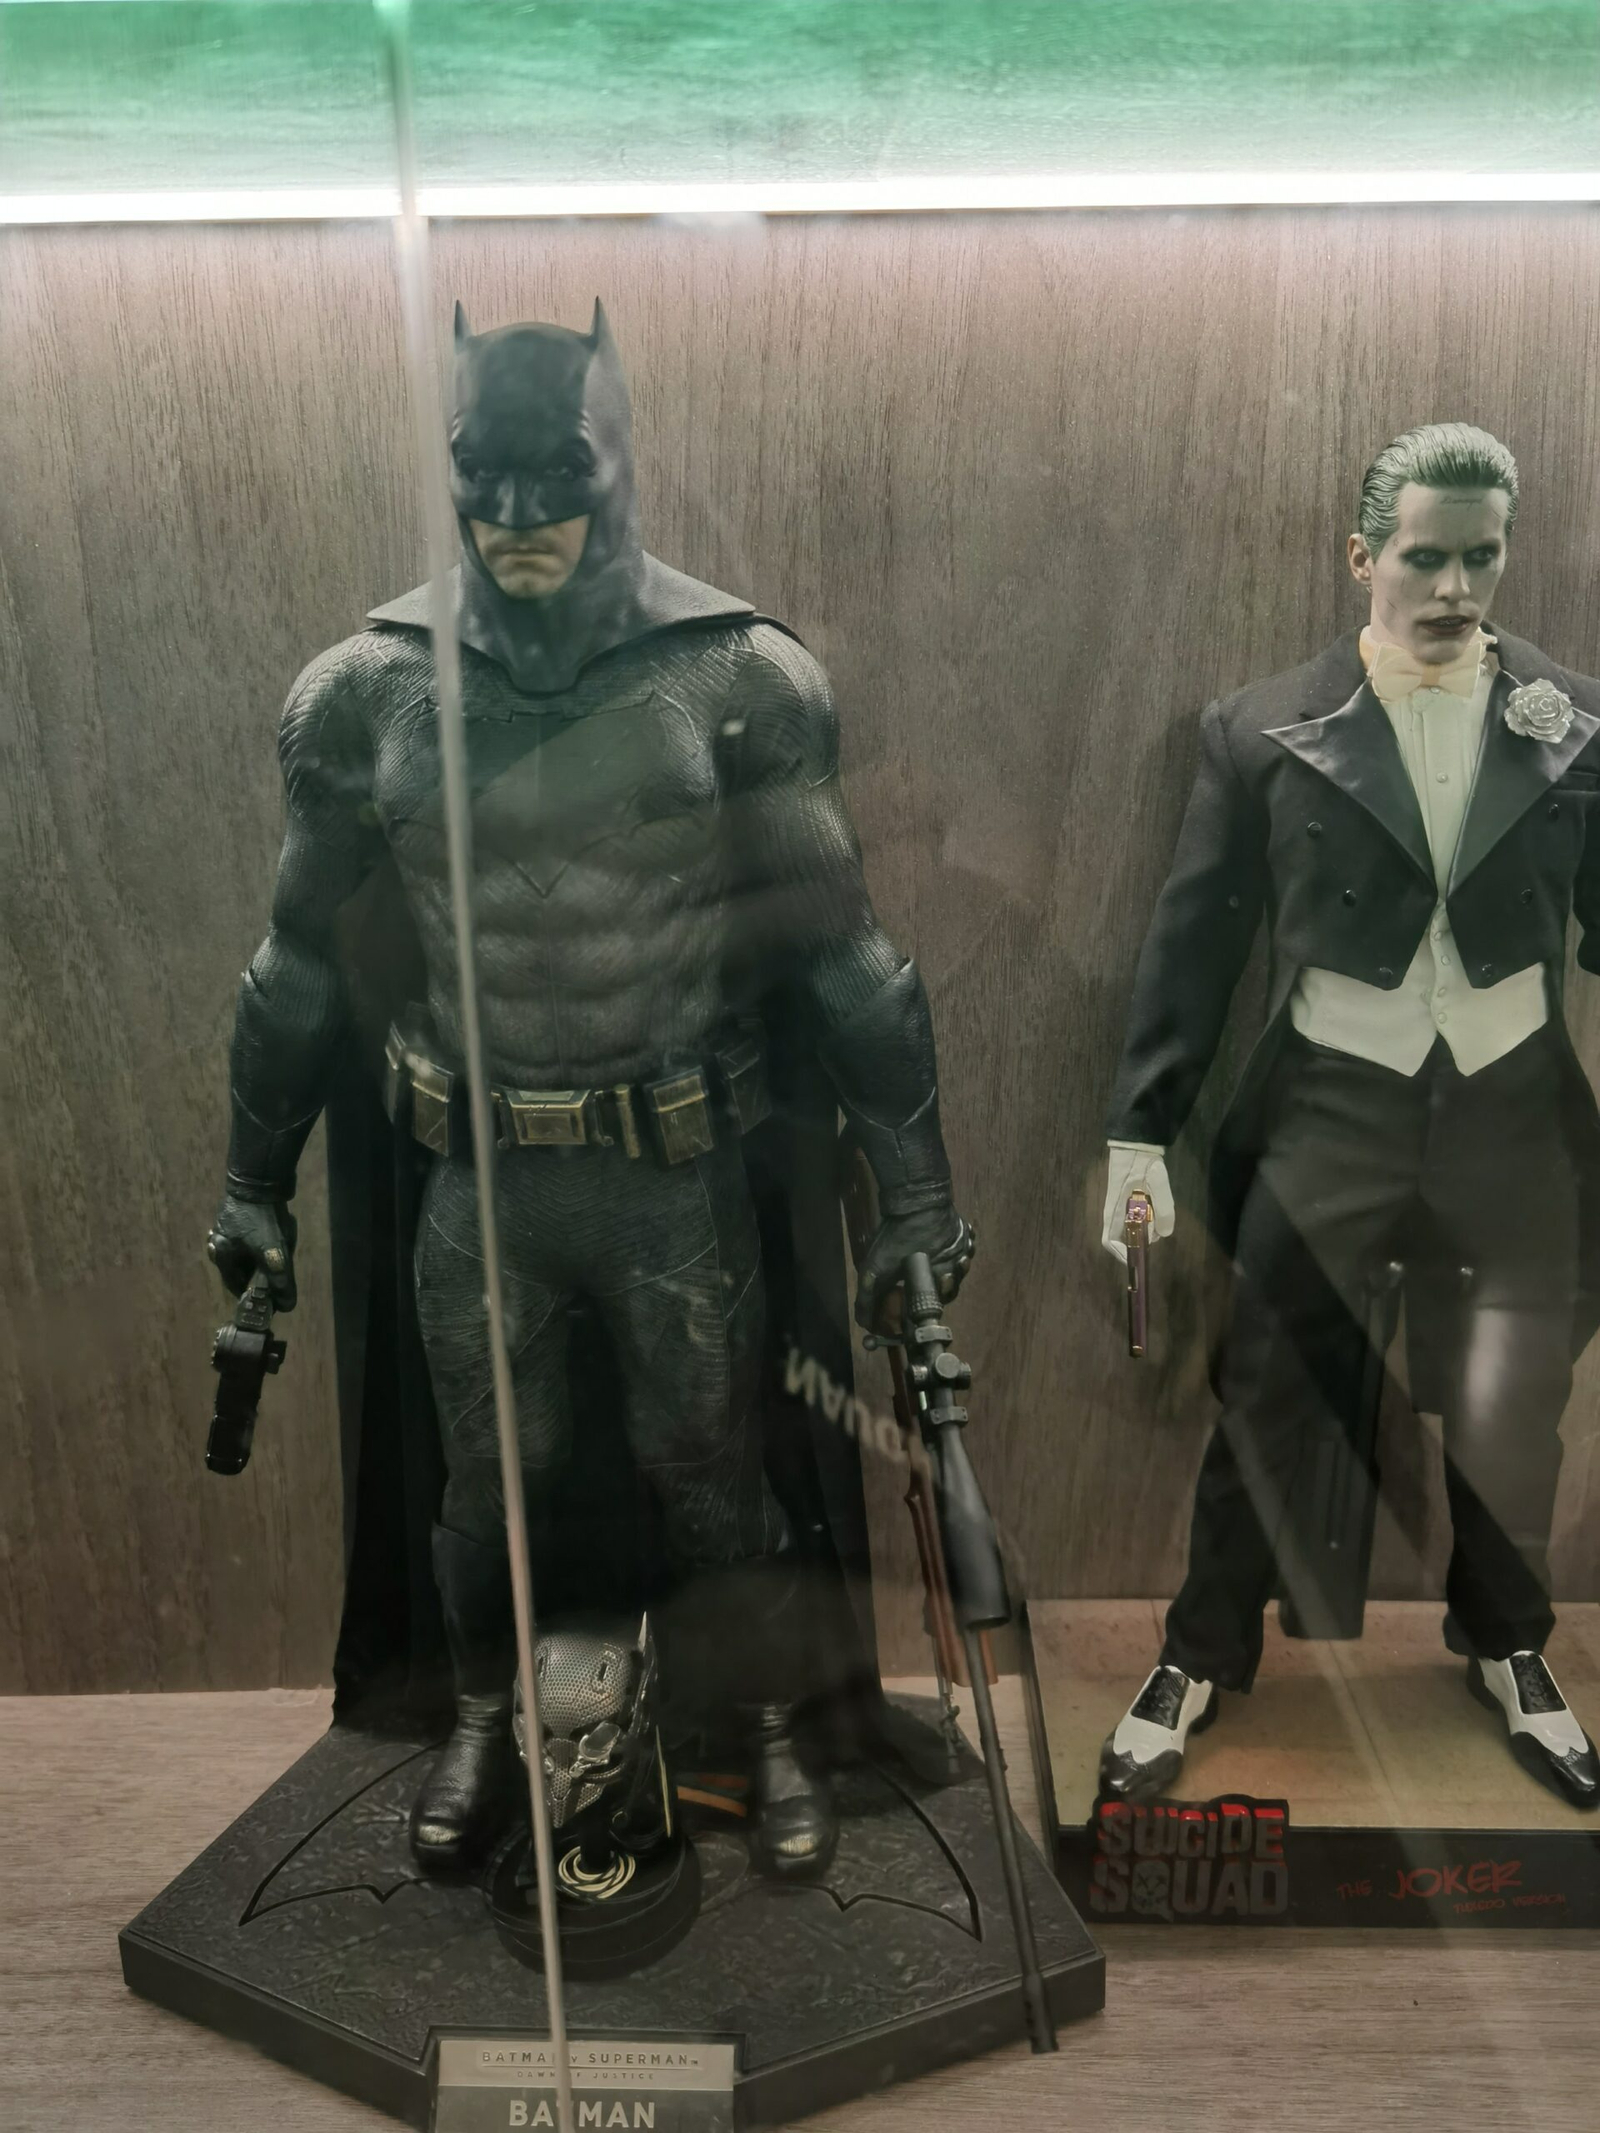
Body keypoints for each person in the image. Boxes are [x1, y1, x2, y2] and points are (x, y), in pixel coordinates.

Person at [209, 303, 971, 1878]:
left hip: (669, 1176)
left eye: (556, 470)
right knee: (486, 1479)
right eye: (479, 471)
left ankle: (762, 1728)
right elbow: (293, 968)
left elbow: (850, 962)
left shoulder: (740, 679)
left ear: (619, 462)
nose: (515, 511)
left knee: (714, 1473)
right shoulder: (365, 691)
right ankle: (481, 1714)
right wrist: (248, 1184)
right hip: (482, 1182)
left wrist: (918, 1202)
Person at [1100, 423, 1600, 1810]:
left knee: (1515, 1402)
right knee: (1265, 1386)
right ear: (1361, 554)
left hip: (1512, 1109)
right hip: (1333, 1102)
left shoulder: (1576, 720)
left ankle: (1508, 1644)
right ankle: (1199, 1653)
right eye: (1425, 557)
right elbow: (1194, 947)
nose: (1454, 587)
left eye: (1482, 557)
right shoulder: (1260, 728)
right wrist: (1139, 1134)